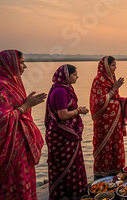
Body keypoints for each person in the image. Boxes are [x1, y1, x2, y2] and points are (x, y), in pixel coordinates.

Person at [0, 50, 46, 199]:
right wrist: (26, 105)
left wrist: (25, 104)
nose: (24, 66)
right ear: (10, 64)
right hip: (6, 150)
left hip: (18, 147)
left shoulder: (10, 84)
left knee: (22, 183)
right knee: (12, 186)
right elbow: (1, 121)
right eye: (21, 62)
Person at [45, 64, 89, 199]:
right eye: (74, 75)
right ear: (66, 76)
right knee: (65, 167)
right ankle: (68, 194)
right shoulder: (60, 91)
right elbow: (62, 115)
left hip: (68, 133)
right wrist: (79, 111)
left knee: (73, 165)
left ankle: (74, 192)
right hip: (61, 135)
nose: (77, 77)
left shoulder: (66, 89)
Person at [90, 56, 127, 176]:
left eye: (115, 65)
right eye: (113, 65)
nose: (115, 68)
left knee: (115, 143)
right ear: (106, 67)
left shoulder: (111, 78)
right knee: (104, 145)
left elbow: (114, 97)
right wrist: (114, 88)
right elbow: (98, 102)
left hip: (115, 120)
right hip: (104, 121)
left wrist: (124, 101)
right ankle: (101, 172)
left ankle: (115, 169)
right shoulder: (98, 80)